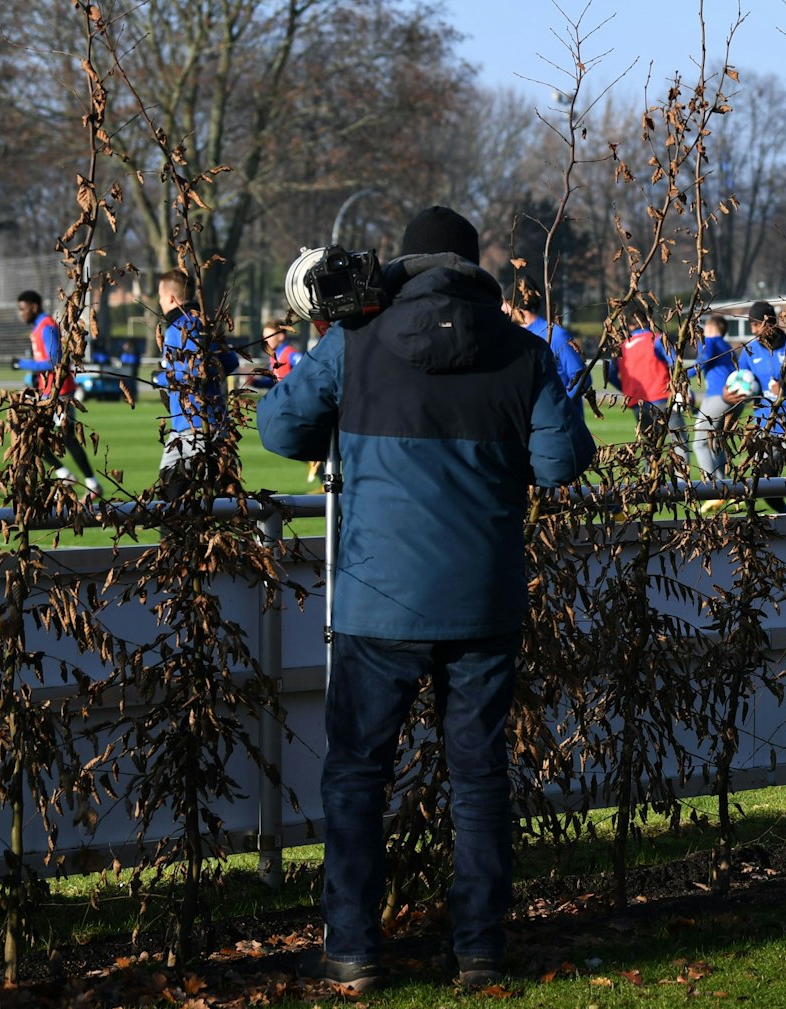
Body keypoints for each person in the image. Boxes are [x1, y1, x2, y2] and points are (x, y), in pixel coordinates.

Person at [258, 206, 595, 992]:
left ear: (404, 264)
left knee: (357, 775)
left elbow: (280, 431)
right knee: (477, 777)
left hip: (378, 598)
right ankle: (478, 948)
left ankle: (352, 949)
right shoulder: (525, 352)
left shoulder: (354, 342)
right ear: (477, 268)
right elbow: (560, 463)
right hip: (483, 598)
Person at [726, 300, 786, 513]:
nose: (754, 330)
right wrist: (730, 396)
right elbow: (741, 383)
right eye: (751, 325)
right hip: (766, 428)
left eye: (757, 324)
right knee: (764, 485)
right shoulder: (749, 350)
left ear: (770, 322)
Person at [155, 269, 240, 500]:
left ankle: (176, 537)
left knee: (170, 503)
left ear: (171, 298)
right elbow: (231, 362)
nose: (159, 302)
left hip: (190, 428)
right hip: (217, 425)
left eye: (160, 297)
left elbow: (192, 373)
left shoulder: (177, 328)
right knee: (227, 504)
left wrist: (160, 377)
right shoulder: (205, 322)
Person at [10, 289, 100, 494]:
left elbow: (54, 361)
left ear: (34, 307)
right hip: (48, 393)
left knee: (65, 437)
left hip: (61, 393)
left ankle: (90, 482)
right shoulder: (39, 327)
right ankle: (67, 475)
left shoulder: (47, 326)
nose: (21, 313)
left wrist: (22, 364)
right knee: (33, 438)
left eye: (23, 309)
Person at [615, 305, 687, 459]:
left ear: (629, 325)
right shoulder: (657, 339)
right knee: (679, 441)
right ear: (648, 321)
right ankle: (684, 480)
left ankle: (650, 480)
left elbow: (610, 373)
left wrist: (626, 389)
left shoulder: (623, 347)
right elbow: (675, 364)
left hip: (637, 403)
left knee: (650, 448)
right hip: (662, 397)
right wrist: (681, 389)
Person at [507, 296, 592, 408]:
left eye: (505, 303)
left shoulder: (556, 335)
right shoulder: (516, 337)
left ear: (517, 306)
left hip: (559, 422)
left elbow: (583, 378)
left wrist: (559, 406)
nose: (502, 309)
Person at [688, 313, 738, 492]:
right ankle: (725, 488)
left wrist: (683, 375)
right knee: (716, 442)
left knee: (700, 443)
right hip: (736, 399)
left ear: (709, 328)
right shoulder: (728, 346)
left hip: (718, 396)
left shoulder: (710, 341)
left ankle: (713, 490)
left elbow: (703, 360)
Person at [247, 323, 305, 390]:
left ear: (281, 336)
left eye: (269, 336)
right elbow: (272, 382)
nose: (266, 340)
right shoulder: (273, 356)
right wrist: (255, 382)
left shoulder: (289, 354)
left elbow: (306, 368)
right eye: (264, 337)